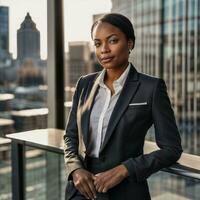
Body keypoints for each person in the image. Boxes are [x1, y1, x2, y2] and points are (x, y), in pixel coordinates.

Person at [63, 13, 182, 200]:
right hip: (83, 190)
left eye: (112, 40)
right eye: (98, 43)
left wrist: (125, 169)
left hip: (126, 191)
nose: (104, 49)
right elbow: (70, 136)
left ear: (130, 43)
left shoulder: (151, 88)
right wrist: (75, 169)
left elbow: (171, 149)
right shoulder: (84, 84)